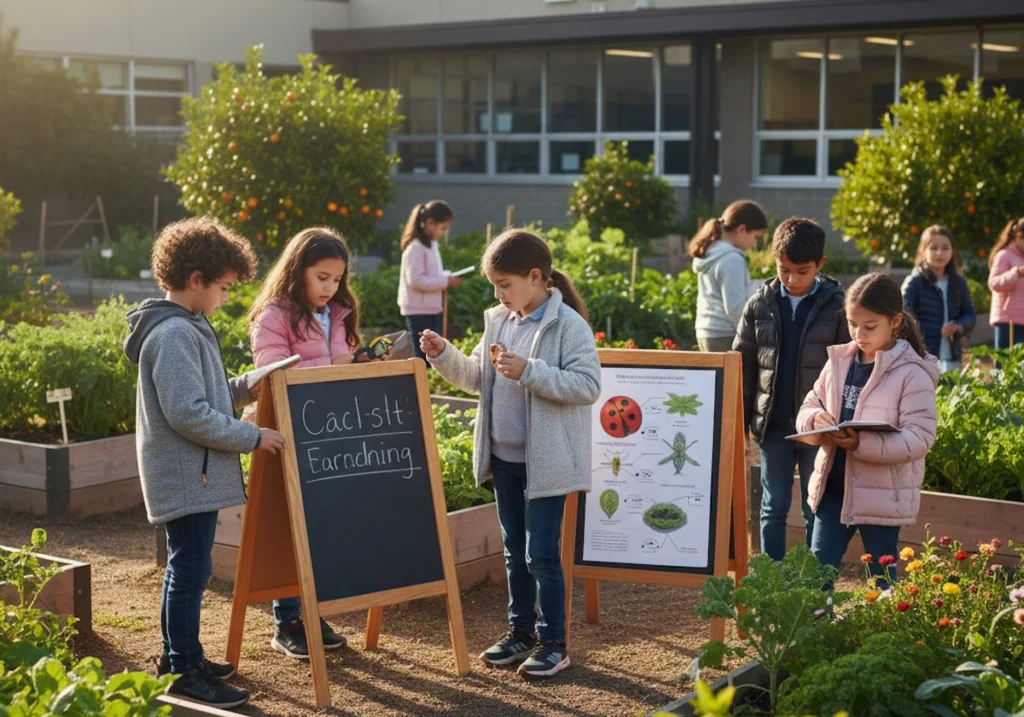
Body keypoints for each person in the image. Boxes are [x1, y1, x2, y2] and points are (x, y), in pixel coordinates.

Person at [419, 229, 600, 680]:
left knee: (541, 553)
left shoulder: (567, 325)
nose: (499, 294)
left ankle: (554, 642)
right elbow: (477, 377)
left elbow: (587, 387)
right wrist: (443, 354)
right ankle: (519, 632)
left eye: (505, 284)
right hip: (503, 458)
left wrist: (531, 371)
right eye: (495, 286)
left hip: (547, 462)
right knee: (513, 552)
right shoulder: (499, 321)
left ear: (536, 277)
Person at [123, 217, 286, 709]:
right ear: (195, 280)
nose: (226, 297)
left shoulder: (189, 325)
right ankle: (186, 670)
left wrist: (244, 386)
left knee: (186, 567)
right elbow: (189, 414)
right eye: (223, 287)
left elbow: (205, 396)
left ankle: (179, 658)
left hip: (194, 473)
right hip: (186, 474)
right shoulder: (173, 334)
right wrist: (252, 436)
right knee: (190, 569)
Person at [249, 227, 379, 659]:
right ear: (297, 270)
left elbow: (337, 363)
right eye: (322, 276)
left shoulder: (337, 314)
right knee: (289, 529)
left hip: (332, 436)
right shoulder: (274, 316)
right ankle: (287, 620)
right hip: (290, 435)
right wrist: (319, 378)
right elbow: (272, 375)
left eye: (338, 279)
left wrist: (356, 364)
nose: (331, 287)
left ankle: (311, 611)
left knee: (321, 527)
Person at [796, 273, 938, 585]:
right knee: (817, 578)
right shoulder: (838, 361)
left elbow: (920, 438)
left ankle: (883, 632)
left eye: (870, 326)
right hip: (832, 488)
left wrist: (859, 444)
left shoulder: (912, 373)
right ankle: (819, 633)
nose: (859, 334)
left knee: (882, 582)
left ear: (895, 321)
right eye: (852, 323)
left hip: (883, 496)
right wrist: (814, 420)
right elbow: (810, 404)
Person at [733, 218, 849, 561]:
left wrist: (839, 420)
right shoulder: (759, 304)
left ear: (820, 265)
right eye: (785, 270)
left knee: (815, 505)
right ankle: (773, 575)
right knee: (774, 505)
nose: (793, 279)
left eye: (803, 271)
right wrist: (741, 422)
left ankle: (811, 578)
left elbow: (846, 367)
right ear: (774, 261)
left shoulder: (837, 305)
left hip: (820, 426)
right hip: (774, 425)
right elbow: (744, 365)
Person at [689, 200, 768, 352]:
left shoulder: (713, 252)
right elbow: (735, 307)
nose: (754, 244)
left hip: (707, 331)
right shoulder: (731, 259)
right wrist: (752, 334)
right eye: (756, 236)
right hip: (725, 334)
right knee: (734, 376)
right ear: (742, 229)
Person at [902, 225, 976, 374]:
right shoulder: (915, 281)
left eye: (945, 248)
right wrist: (926, 331)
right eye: (933, 248)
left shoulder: (958, 282)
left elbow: (969, 314)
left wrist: (958, 326)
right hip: (923, 353)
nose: (939, 253)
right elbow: (902, 315)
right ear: (923, 250)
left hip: (952, 354)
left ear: (952, 251)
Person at [398, 200, 461, 359]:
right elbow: (416, 280)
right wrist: (446, 281)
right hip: (418, 309)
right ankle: (420, 382)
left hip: (429, 307)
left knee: (433, 351)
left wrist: (446, 276)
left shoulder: (431, 245)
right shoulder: (415, 248)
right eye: (443, 228)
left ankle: (428, 381)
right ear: (430, 222)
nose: (444, 233)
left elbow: (431, 274)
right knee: (424, 354)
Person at [987, 217, 1024, 349]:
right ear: (1019, 237)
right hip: (1008, 322)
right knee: (1005, 366)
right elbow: (994, 283)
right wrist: (1018, 273)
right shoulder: (1004, 256)